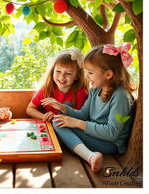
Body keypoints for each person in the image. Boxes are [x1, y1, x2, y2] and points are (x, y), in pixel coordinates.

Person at [49, 43, 136, 173]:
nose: (86, 77)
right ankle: (67, 141)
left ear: (108, 74)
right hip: (95, 135)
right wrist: (63, 108)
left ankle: (90, 156)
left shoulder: (121, 97)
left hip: (109, 144)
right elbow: (83, 114)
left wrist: (78, 123)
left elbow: (112, 133)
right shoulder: (96, 90)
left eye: (90, 72)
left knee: (59, 124)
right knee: (61, 118)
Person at [26, 47, 88, 121]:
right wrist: (44, 116)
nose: (62, 77)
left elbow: (81, 117)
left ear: (77, 76)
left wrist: (59, 114)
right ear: (53, 71)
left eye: (68, 73)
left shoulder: (81, 93)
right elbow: (30, 109)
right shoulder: (46, 90)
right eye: (58, 71)